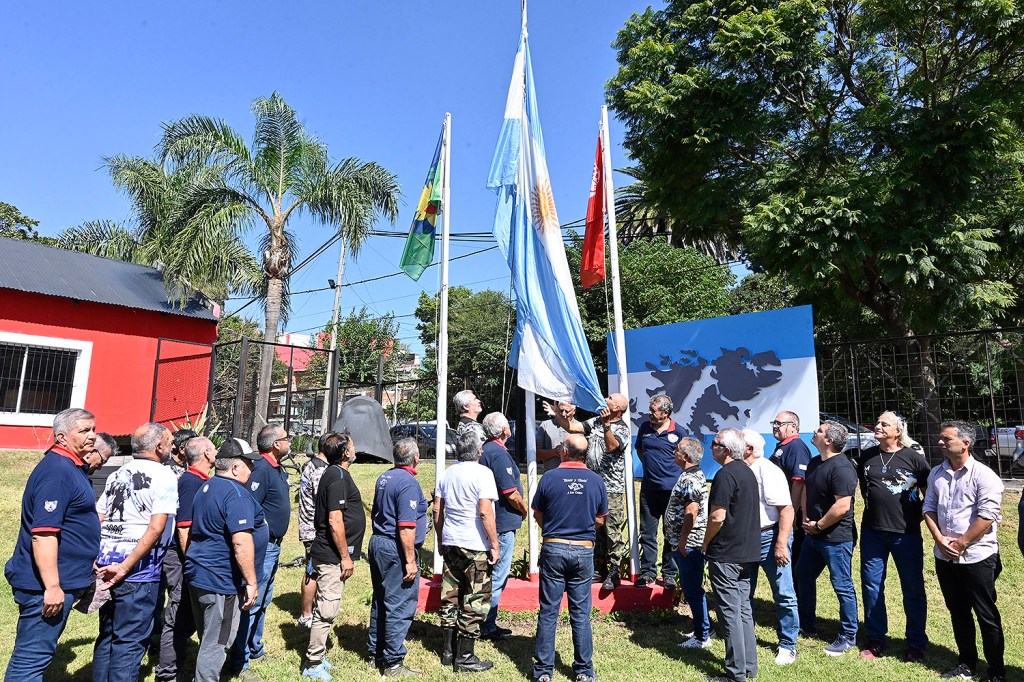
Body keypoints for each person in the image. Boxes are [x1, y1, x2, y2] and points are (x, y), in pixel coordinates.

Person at [5, 408, 100, 682]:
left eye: (93, 429)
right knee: (31, 660)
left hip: (59, 579)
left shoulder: (70, 467)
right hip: (43, 587)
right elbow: (43, 534)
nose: (92, 436)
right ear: (61, 437)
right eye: (83, 430)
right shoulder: (57, 472)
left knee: (34, 657)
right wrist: (53, 586)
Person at [92, 422, 178, 682]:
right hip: (138, 572)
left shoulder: (118, 473)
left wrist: (99, 555)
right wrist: (126, 566)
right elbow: (156, 527)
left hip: (107, 565)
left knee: (108, 635)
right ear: (159, 446)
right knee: (130, 642)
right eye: (170, 443)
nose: (172, 447)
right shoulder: (164, 475)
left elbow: (99, 515)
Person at [924, 421, 1006, 682]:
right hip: (945, 557)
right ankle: (966, 663)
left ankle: (996, 671)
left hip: (977, 557)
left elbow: (988, 516)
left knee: (986, 614)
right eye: (941, 438)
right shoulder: (936, 473)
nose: (941, 443)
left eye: (946, 439)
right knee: (958, 611)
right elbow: (929, 508)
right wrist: (940, 540)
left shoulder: (984, 476)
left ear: (965, 443)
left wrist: (960, 544)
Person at [185, 438, 267, 682]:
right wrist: (251, 582)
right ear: (234, 468)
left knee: (209, 636)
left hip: (199, 573)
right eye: (248, 465)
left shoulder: (208, 486)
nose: (252, 470)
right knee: (218, 641)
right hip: (221, 580)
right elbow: (241, 541)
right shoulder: (236, 494)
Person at [531, 434, 608, 682]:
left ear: (564, 451)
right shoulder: (596, 481)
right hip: (584, 550)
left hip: (554, 547)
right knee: (581, 613)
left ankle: (543, 671)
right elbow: (600, 519)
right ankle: (584, 671)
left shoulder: (550, 478)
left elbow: (538, 514)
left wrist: (553, 529)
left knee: (549, 612)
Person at [856, 411, 931, 662]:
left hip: (906, 534)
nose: (877, 426)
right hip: (872, 533)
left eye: (883, 423)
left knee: (912, 588)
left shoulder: (914, 458)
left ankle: (916, 643)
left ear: (898, 431)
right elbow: (866, 490)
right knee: (871, 585)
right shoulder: (866, 457)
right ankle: (876, 638)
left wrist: (917, 516)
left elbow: (929, 493)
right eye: (877, 422)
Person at [544, 394, 631, 589]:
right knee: (595, 527)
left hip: (612, 488)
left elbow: (612, 447)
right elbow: (572, 427)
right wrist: (558, 412)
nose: (605, 399)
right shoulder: (595, 421)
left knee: (612, 529)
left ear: (617, 408)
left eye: (610, 398)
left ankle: (615, 571)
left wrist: (607, 425)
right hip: (591, 485)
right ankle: (599, 568)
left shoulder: (623, 429)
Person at [230, 424, 293, 677]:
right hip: (262, 547)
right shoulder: (262, 470)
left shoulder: (277, 468)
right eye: (287, 438)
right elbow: (249, 507)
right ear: (276, 444)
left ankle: (255, 647)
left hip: (274, 546)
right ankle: (240, 659)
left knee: (264, 599)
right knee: (252, 600)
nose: (290, 442)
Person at [434, 431, 499, 673]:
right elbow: (485, 511)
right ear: (479, 451)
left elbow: (437, 510)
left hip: (451, 540)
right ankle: (465, 656)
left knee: (450, 593)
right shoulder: (483, 473)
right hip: (475, 544)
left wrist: (441, 538)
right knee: (476, 598)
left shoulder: (447, 473)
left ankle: (448, 652)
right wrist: (494, 543)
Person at [302, 433, 365, 680]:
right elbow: (334, 520)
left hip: (331, 554)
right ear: (345, 453)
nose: (355, 446)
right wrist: (345, 557)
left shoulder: (335, 473)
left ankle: (319, 657)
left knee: (329, 605)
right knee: (327, 608)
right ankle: (313, 663)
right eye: (352, 444)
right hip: (331, 555)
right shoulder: (337, 477)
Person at [155, 436, 217, 682]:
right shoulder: (191, 482)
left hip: (190, 557)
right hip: (183, 557)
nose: (216, 452)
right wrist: (192, 561)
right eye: (213, 448)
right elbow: (184, 528)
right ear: (205, 454)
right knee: (178, 613)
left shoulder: (201, 480)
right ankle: (168, 672)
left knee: (188, 613)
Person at [367, 437, 429, 677]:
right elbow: (405, 526)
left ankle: (375, 651)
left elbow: (375, 512)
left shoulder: (385, 477)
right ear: (415, 458)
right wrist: (410, 560)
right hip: (395, 547)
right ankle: (393, 661)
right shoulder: (408, 483)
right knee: (399, 603)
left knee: (380, 599)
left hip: (378, 542)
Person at [795, 421, 858, 656]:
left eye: (819, 431)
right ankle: (806, 623)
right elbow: (806, 491)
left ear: (829, 440)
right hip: (813, 534)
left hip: (836, 538)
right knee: (803, 574)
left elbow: (842, 505)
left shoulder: (842, 468)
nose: (815, 432)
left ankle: (849, 634)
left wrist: (819, 525)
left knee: (842, 585)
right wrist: (806, 518)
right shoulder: (814, 462)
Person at [703, 428, 761, 682]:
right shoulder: (747, 472)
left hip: (727, 553)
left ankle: (735, 673)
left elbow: (717, 516)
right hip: (747, 552)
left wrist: (705, 544)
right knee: (743, 610)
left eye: (714, 443)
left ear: (726, 450)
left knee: (730, 613)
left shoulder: (725, 475)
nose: (710, 447)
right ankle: (749, 666)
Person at [740, 428, 799, 665]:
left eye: (738, 443)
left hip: (770, 537)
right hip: (745, 539)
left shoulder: (768, 471)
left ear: (750, 449)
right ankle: (745, 635)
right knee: (744, 591)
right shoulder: (739, 470)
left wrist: (781, 544)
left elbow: (786, 510)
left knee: (783, 592)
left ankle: (788, 644)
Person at [477, 411, 527, 641]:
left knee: (490, 574)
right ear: (504, 430)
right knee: (498, 575)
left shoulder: (487, 450)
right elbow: (510, 492)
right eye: (508, 426)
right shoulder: (497, 453)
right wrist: (524, 508)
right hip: (502, 524)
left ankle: (482, 621)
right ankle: (487, 625)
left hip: (494, 522)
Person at [665, 437, 712, 650]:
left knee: (692, 588)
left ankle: (702, 636)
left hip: (689, 544)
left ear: (685, 456)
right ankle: (702, 627)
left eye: (677, 450)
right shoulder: (689, 475)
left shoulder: (690, 479)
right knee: (692, 587)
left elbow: (691, 511)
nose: (674, 452)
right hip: (687, 543)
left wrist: (682, 542)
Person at [635, 394, 686, 588]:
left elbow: (685, 458)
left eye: (654, 410)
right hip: (649, 489)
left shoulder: (679, 432)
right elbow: (640, 451)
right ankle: (648, 572)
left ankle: (669, 574)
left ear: (665, 414)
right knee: (647, 533)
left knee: (670, 533)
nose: (650, 413)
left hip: (672, 492)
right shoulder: (644, 428)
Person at [768, 411, 811, 572]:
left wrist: (791, 513)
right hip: (783, 511)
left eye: (780, 424)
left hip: (792, 513)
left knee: (793, 563)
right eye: (774, 423)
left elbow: (799, 483)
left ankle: (795, 596)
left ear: (793, 427)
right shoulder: (784, 445)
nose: (775, 427)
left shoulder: (796, 447)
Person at [296, 436, 331, 629]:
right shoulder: (318, 470)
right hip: (314, 531)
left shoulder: (315, 465)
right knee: (313, 571)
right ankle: (306, 616)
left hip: (312, 529)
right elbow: (323, 501)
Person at [536, 401, 574, 474]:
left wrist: (566, 452)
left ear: (574, 411)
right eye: (561, 410)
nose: (563, 414)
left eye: (567, 411)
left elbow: (583, 457)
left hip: (572, 476)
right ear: (556, 409)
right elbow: (538, 453)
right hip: (551, 475)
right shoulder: (545, 425)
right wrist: (554, 452)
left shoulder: (579, 428)